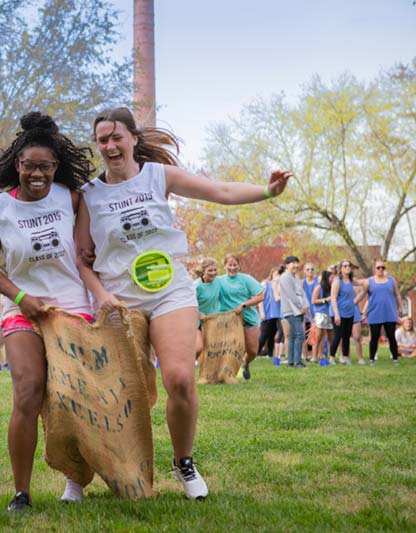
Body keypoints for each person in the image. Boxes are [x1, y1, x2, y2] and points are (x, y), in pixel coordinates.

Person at [74, 107, 290, 501]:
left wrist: (267, 191)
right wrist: (101, 294)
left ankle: (184, 462)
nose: (109, 145)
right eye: (102, 139)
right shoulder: (89, 194)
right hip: (118, 299)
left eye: (116, 137)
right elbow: (82, 256)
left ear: (133, 139)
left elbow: (220, 191)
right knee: (112, 391)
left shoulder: (159, 176)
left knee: (180, 378)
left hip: (169, 290)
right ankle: (94, 470)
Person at [0, 112, 96, 511]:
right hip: (24, 311)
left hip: (74, 309)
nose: (37, 174)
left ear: (56, 166)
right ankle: (22, 492)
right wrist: (21, 296)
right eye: (29, 166)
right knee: (28, 392)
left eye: (45, 166)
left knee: (71, 398)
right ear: (18, 165)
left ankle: (75, 483)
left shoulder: (72, 197)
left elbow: (86, 256)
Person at [216, 255, 266, 379]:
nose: (232, 268)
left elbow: (260, 296)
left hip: (248, 318)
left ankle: (246, 363)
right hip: (229, 320)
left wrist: (243, 305)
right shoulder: (219, 281)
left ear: (239, 266)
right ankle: (227, 374)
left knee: (252, 351)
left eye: (235, 265)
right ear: (224, 266)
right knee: (231, 348)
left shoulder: (246, 279)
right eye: (229, 265)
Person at [354, 258, 404, 366]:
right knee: (374, 337)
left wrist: (401, 307)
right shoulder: (369, 281)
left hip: (389, 313)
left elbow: (398, 294)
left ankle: (395, 359)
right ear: (374, 269)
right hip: (374, 313)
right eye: (378, 267)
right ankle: (372, 359)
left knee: (391, 336)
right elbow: (362, 294)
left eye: (383, 267)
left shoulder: (391, 280)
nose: (380, 269)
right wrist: (353, 303)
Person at [279, 256, 309, 368]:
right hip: (291, 311)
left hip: (300, 310)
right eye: (293, 263)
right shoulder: (285, 278)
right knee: (300, 334)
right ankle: (297, 362)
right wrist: (301, 306)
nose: (295, 265)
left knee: (293, 335)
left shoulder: (296, 278)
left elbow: (303, 293)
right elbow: (290, 295)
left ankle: (291, 361)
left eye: (297, 263)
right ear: (287, 265)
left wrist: (306, 306)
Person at [329, 260, 356, 365]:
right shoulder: (337, 281)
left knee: (346, 336)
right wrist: (336, 314)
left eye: (349, 265)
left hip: (349, 313)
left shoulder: (350, 281)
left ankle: (345, 357)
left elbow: (363, 283)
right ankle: (331, 358)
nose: (348, 267)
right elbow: (333, 298)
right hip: (338, 313)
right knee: (337, 335)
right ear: (340, 268)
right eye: (345, 266)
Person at [256, 266, 282, 361]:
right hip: (267, 313)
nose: (277, 276)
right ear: (271, 274)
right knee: (264, 334)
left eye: (279, 274)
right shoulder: (265, 283)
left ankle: (270, 353)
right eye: (276, 274)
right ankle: (256, 352)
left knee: (272, 334)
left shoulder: (280, 285)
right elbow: (260, 298)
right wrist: (262, 311)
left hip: (276, 314)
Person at [311, 270, 335, 364]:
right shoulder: (318, 287)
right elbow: (313, 301)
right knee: (318, 336)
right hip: (320, 314)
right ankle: (314, 357)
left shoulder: (332, 287)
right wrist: (325, 300)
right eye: (331, 277)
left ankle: (330, 357)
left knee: (330, 337)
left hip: (330, 313)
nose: (333, 279)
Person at [301, 263, 319, 362]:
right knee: (303, 334)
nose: (310, 271)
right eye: (308, 269)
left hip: (316, 310)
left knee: (315, 334)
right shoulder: (302, 283)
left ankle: (315, 355)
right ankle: (305, 355)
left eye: (312, 269)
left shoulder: (317, 282)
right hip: (304, 311)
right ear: (304, 271)